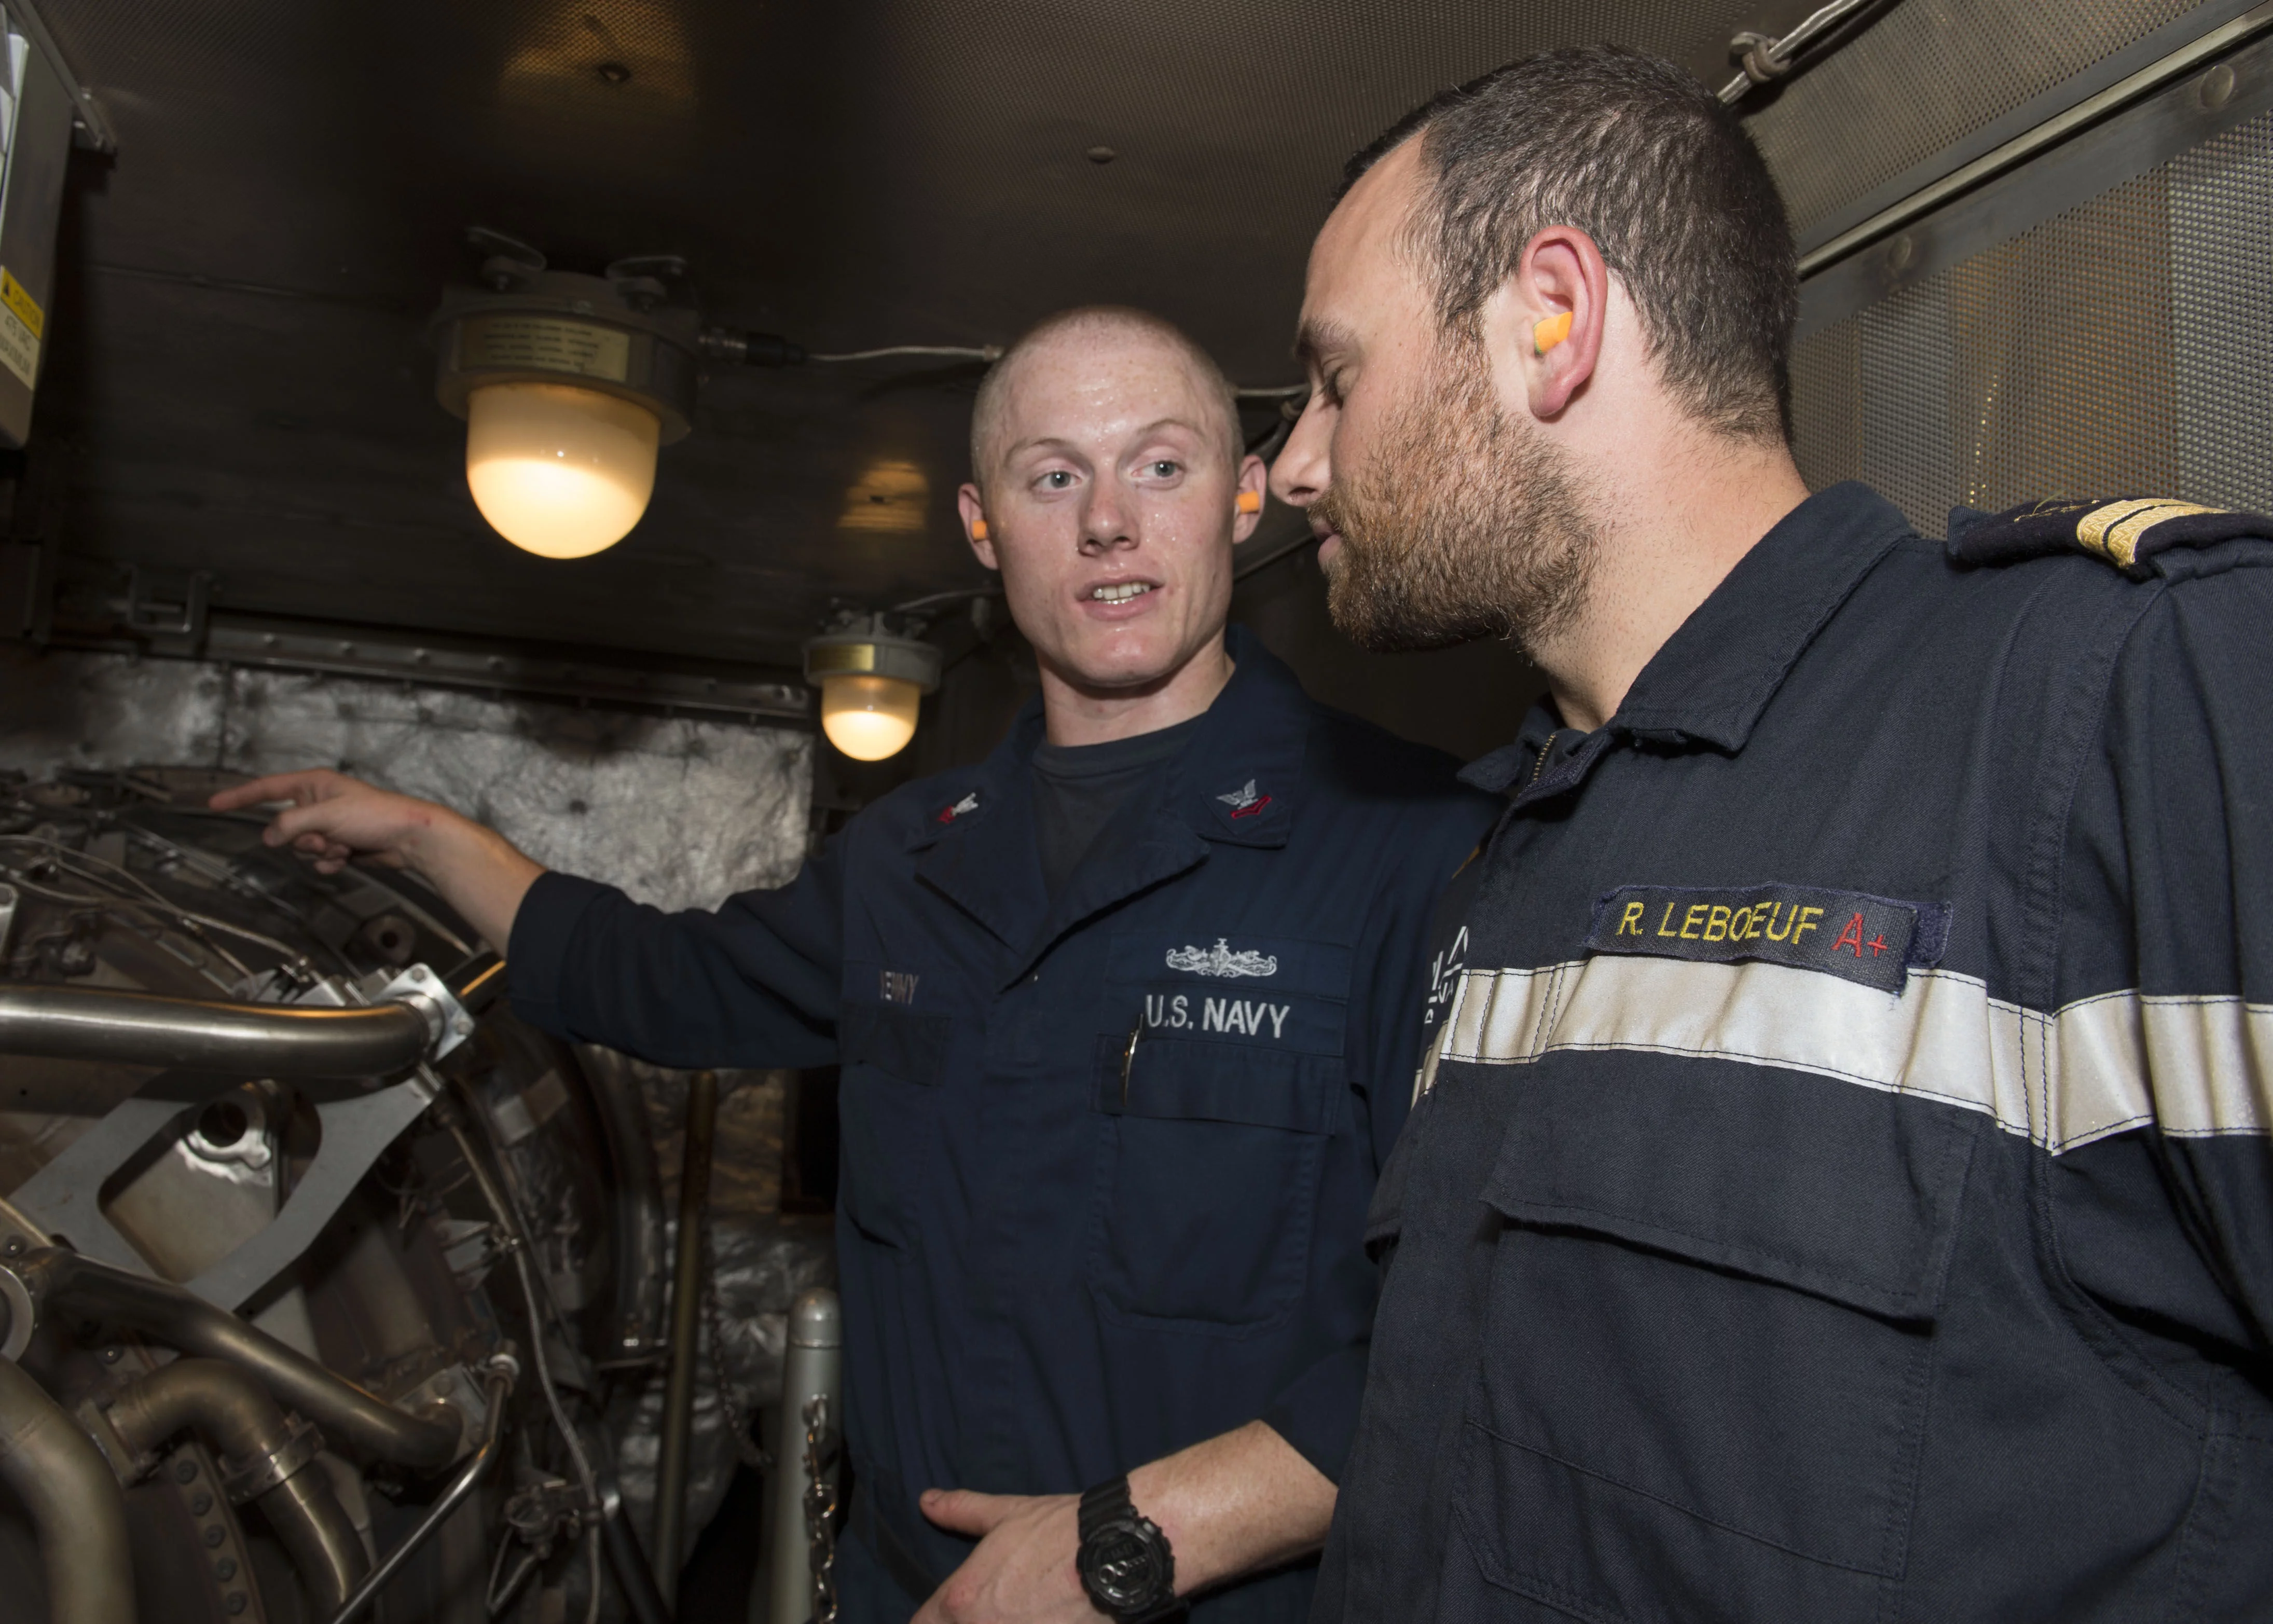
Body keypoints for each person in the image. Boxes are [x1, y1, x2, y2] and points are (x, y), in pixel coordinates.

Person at [215, 306, 1501, 1624]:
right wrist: (433, 837)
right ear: (981, 524)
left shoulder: (1410, 849)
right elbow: (655, 978)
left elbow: (1493, 1318)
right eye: (1054, 475)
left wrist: (1137, 1539)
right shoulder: (907, 859)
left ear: (1243, 498)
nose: (1109, 522)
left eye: (1161, 466)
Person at [1269, 45, 2273, 1624]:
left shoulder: (2128, 705)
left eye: (1334, 381)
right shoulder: (1508, 846)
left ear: (1552, 319)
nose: (1291, 469)